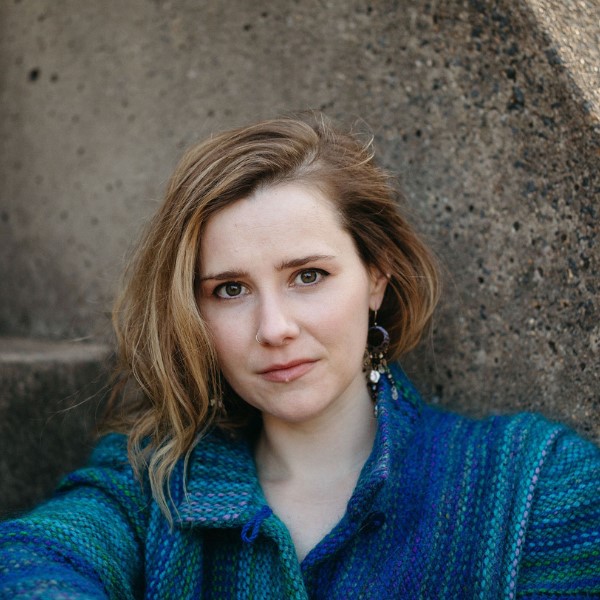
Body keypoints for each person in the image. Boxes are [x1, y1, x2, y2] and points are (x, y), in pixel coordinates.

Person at [0, 113, 599, 599]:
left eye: (308, 276)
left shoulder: (533, 488)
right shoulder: (153, 483)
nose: (274, 328)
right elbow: (32, 560)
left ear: (376, 276)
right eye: (229, 290)